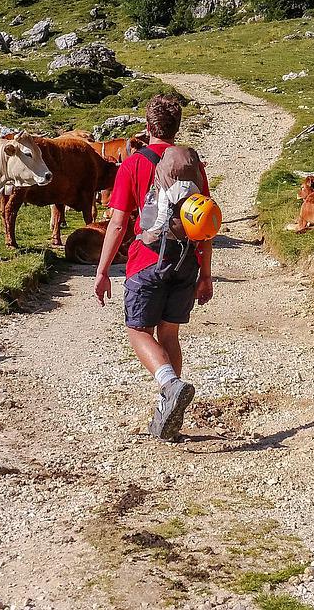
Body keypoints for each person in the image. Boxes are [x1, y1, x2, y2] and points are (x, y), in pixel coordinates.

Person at [94, 95, 215, 440]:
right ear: (177, 129)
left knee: (137, 331)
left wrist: (102, 271)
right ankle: (168, 413)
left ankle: (170, 385)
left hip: (147, 261)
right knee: (169, 334)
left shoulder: (132, 165)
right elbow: (204, 222)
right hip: (186, 261)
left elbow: (117, 224)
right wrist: (205, 274)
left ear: (147, 128)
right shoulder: (192, 166)